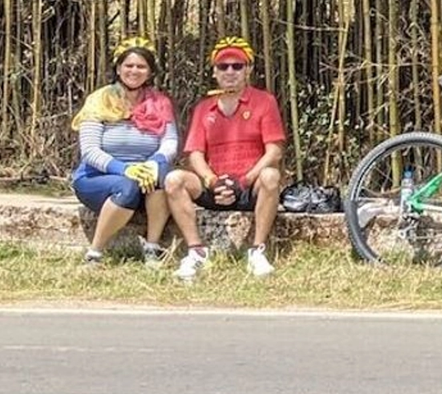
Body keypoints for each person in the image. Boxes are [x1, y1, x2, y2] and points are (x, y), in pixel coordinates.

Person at [165, 36, 286, 279]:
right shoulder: (204, 108)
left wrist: (245, 180)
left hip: (248, 184)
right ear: (214, 72)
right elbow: (195, 153)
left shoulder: (264, 102)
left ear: (248, 70)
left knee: (271, 176)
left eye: (237, 66)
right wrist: (212, 181)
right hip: (215, 182)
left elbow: (274, 151)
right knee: (173, 180)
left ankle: (257, 251)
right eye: (223, 66)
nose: (230, 72)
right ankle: (196, 251)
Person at [70, 36, 178, 265]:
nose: (134, 71)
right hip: (97, 178)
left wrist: (153, 163)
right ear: (118, 68)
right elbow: (89, 150)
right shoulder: (100, 100)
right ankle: (95, 252)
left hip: (144, 175)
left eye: (141, 66)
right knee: (126, 186)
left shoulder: (160, 102)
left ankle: (152, 247)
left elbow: (170, 142)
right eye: (129, 65)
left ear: (150, 72)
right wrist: (125, 169)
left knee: (163, 176)